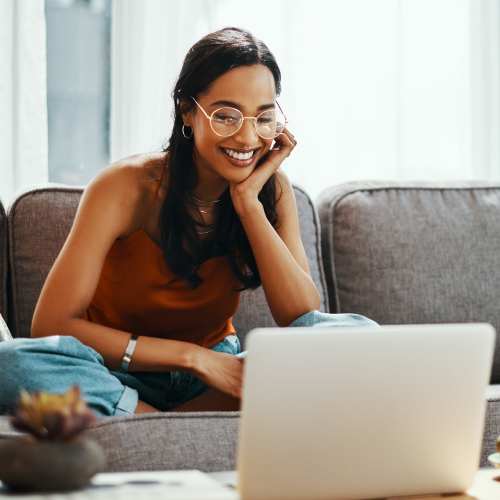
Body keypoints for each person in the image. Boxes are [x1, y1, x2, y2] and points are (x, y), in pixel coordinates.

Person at [0, 27, 378, 418]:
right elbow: (51, 323)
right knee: (9, 362)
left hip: (217, 378)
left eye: (263, 118)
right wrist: (192, 357)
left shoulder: (271, 190)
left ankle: (154, 419)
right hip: (115, 371)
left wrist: (248, 204)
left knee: (355, 335)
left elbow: (301, 314)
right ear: (187, 109)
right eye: (226, 116)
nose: (248, 137)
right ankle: (157, 419)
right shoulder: (124, 187)